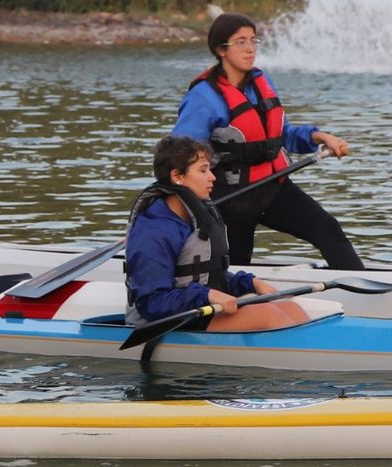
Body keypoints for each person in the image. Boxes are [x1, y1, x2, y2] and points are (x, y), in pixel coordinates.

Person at [173, 13, 362, 270]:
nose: (250, 48)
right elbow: (180, 154)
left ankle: (358, 283)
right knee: (236, 266)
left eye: (253, 40)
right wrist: (180, 202)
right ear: (221, 50)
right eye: (241, 42)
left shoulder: (261, 84)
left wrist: (319, 137)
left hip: (273, 188)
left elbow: (282, 134)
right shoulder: (203, 97)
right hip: (230, 199)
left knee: (328, 229)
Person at [123, 135, 308, 332]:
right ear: (177, 176)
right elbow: (152, 302)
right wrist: (207, 295)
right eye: (203, 170)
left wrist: (250, 283)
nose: (212, 177)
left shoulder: (195, 218)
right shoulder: (154, 230)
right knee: (269, 316)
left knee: (290, 308)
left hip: (196, 310)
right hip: (163, 323)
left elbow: (206, 275)